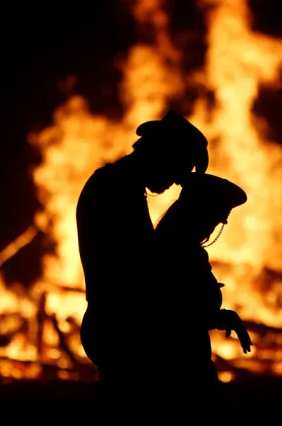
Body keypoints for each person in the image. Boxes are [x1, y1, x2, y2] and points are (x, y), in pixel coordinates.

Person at [76, 111, 209, 409]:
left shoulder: (118, 185)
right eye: (178, 168)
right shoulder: (116, 190)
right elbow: (140, 268)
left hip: (114, 325)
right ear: (160, 153)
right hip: (121, 330)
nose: (176, 181)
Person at [151, 172, 253, 409]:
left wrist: (221, 317)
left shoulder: (179, 247)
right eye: (215, 218)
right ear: (198, 214)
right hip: (178, 370)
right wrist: (220, 317)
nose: (215, 226)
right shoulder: (174, 252)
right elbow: (175, 313)